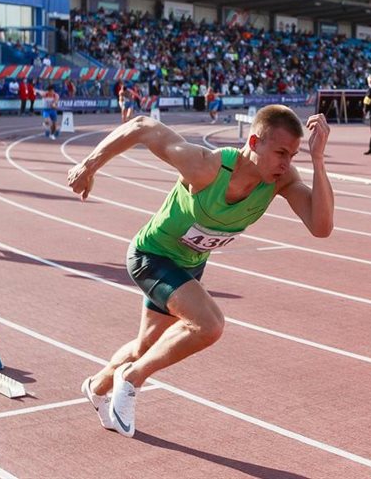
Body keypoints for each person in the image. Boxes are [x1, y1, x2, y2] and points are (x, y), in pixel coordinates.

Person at [68, 105, 334, 438]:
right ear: (254, 141)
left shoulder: (280, 180)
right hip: (151, 256)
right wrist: (89, 165)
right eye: (281, 152)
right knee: (210, 325)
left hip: (190, 264)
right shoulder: (206, 166)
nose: (287, 163)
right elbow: (141, 126)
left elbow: (321, 227)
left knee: (144, 347)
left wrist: (318, 161)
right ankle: (131, 378)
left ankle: (96, 386)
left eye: (294, 155)